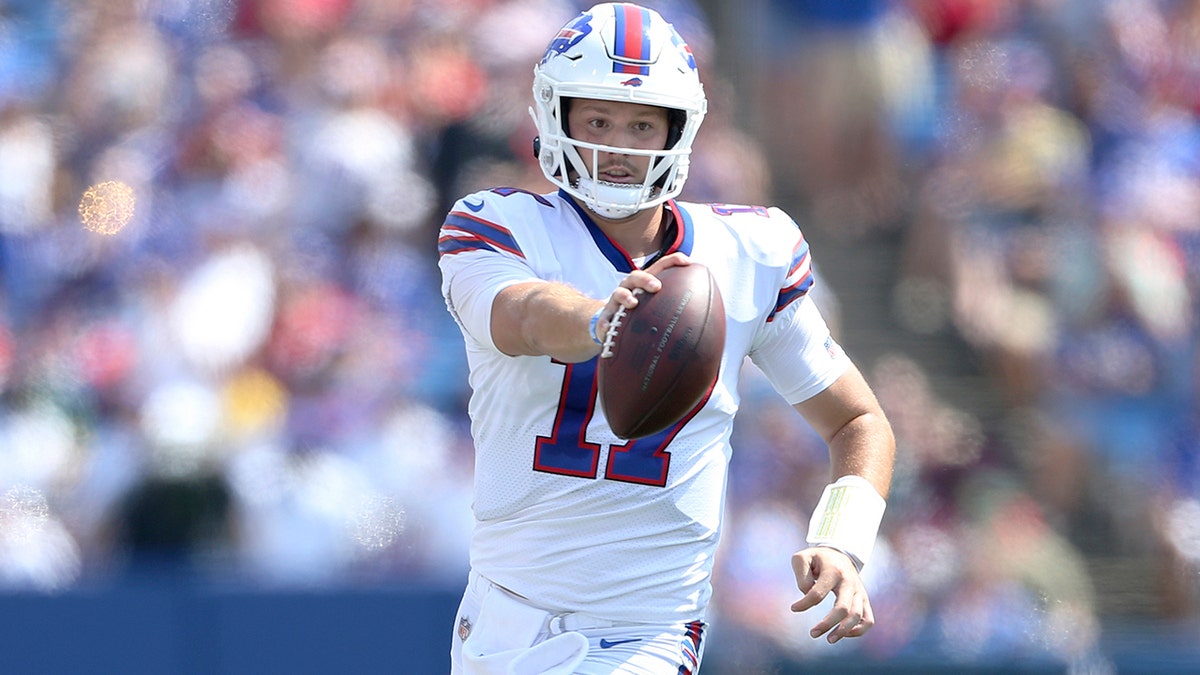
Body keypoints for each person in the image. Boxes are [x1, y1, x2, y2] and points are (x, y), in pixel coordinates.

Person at [437, 3, 895, 673]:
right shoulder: (498, 225)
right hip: (505, 620)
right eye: (597, 120)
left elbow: (859, 419)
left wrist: (843, 542)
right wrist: (600, 319)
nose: (618, 146)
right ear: (555, 117)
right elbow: (525, 314)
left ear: (678, 131)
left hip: (646, 631)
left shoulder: (749, 250)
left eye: (641, 123)